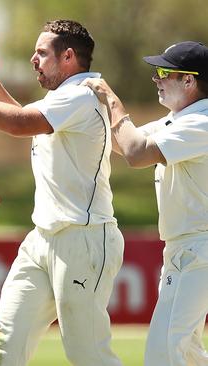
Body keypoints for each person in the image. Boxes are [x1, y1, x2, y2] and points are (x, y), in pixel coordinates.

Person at [0, 20, 124, 365]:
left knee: (88, 355)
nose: (32, 59)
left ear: (68, 56)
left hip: (83, 241)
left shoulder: (83, 93)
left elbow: (18, 124)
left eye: (42, 53)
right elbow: (22, 116)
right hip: (42, 239)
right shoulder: (62, 98)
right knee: (5, 344)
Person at [83, 41, 208, 366]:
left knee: (164, 351)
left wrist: (110, 98)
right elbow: (124, 143)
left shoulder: (202, 122)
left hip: (199, 250)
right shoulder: (177, 120)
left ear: (189, 81)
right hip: (186, 250)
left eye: (164, 71)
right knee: (188, 352)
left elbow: (138, 153)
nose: (156, 78)